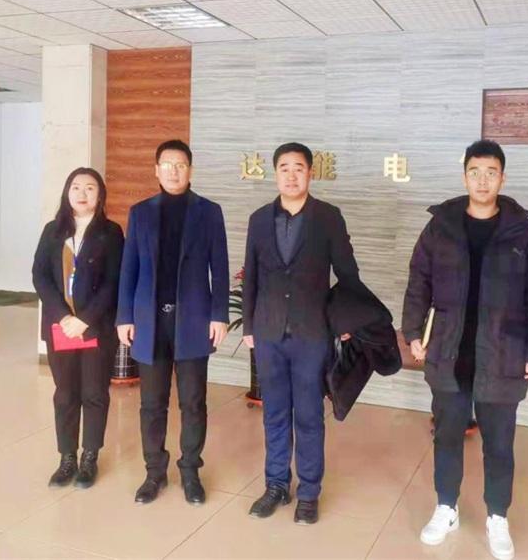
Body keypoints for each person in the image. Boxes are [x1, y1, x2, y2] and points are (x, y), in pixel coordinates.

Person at [402, 140, 528, 560]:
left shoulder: (523, 232)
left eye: (491, 173)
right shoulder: (441, 227)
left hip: (503, 354)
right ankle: (446, 508)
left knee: (499, 444)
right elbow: (418, 282)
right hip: (448, 351)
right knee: (447, 435)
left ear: (502, 178)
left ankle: (497, 517)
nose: (482, 180)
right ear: (464, 176)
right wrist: (412, 331)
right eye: (475, 172)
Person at [242, 142, 360, 525]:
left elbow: (348, 276)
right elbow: (251, 274)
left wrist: (344, 323)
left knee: (309, 415)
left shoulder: (328, 217)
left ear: (310, 172)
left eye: (298, 168)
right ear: (275, 173)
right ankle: (276, 484)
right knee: (274, 413)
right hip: (269, 332)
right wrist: (249, 326)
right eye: (284, 168)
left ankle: (309, 492)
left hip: (312, 334)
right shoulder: (259, 219)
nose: (291, 175)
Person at [116, 139, 229, 505]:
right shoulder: (140, 213)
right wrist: (124, 316)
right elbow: (129, 268)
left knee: (193, 402)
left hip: (194, 320)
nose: (174, 171)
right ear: (156, 170)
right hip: (150, 322)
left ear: (190, 170)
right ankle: (154, 472)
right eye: (167, 164)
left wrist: (219, 315)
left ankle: (190, 471)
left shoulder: (209, 212)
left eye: (180, 164)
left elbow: (220, 268)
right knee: (152, 403)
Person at [33, 167, 124, 489]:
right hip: (60, 328)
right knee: (65, 394)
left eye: (90, 188)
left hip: (95, 327)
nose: (82, 193)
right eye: (76, 187)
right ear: (67, 192)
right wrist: (62, 316)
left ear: (100, 195)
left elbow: (114, 281)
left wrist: (85, 319)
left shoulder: (111, 232)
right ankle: (67, 458)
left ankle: (89, 457)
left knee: (95, 393)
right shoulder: (52, 231)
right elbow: (40, 276)